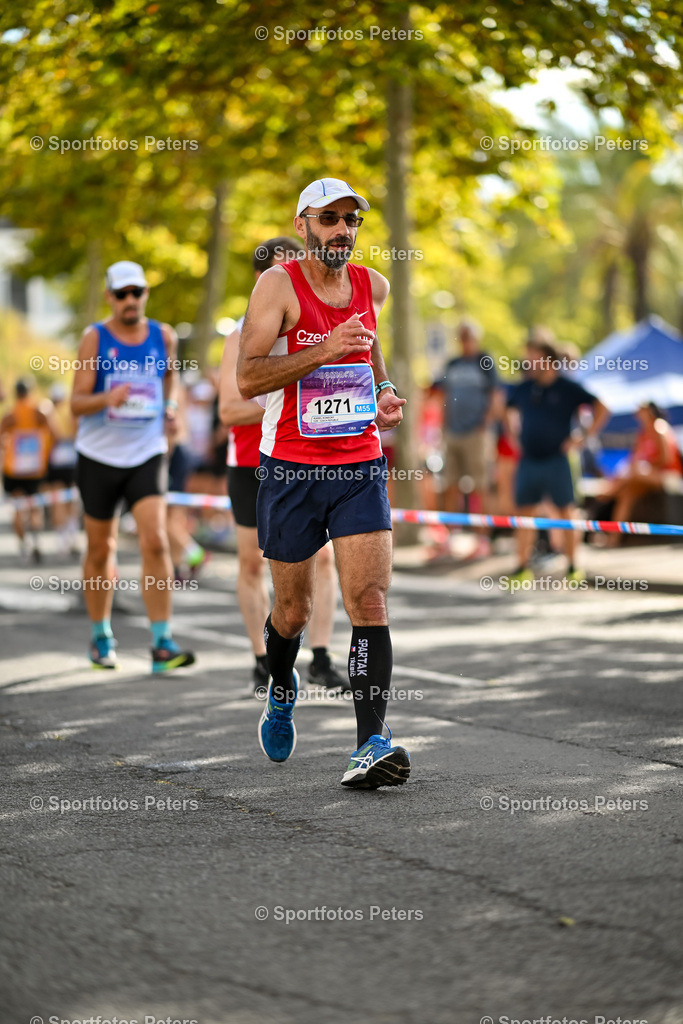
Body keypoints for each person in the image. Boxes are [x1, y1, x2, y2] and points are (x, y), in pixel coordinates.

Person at [237, 177, 411, 789]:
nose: (343, 231)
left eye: (351, 221)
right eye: (330, 219)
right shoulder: (277, 286)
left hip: (359, 462)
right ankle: (281, 686)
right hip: (290, 467)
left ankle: (371, 742)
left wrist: (384, 391)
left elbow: (369, 351)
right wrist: (322, 350)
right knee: (294, 609)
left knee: (368, 599)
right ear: (304, 222)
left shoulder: (373, 286)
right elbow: (248, 379)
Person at [219, 236, 349, 697]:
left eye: (296, 267)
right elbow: (229, 411)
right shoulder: (240, 334)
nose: (292, 278)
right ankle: (262, 658)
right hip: (251, 464)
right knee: (255, 564)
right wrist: (289, 396)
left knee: (324, 558)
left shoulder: (314, 325)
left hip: (303, 459)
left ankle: (320, 656)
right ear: (261, 281)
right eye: (279, 270)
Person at [70, 260, 195, 672]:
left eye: (136, 292)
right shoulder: (96, 338)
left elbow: (169, 379)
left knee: (155, 541)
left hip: (146, 451)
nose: (130, 301)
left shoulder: (163, 336)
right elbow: (76, 402)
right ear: (109, 296)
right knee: (100, 548)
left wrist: (172, 407)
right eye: (121, 294)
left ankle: (161, 643)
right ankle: (101, 636)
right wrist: (108, 398)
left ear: (145, 294)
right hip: (99, 456)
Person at [506, 333, 610, 582]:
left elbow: (602, 408)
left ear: (549, 360)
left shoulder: (567, 387)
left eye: (535, 357)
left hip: (557, 460)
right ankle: (522, 569)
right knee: (524, 514)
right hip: (530, 460)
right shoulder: (525, 388)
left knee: (566, 512)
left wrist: (581, 438)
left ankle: (573, 568)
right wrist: (513, 437)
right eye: (528, 356)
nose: (529, 361)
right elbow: (507, 409)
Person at [432, 319, 500, 558]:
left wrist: (486, 424)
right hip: (453, 433)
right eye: (462, 336)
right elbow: (442, 394)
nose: (466, 341)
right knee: (450, 485)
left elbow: (496, 394)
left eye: (469, 336)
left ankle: (483, 538)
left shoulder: (485, 362)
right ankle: (450, 537)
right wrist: (442, 428)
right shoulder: (452, 364)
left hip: (476, 434)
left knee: (480, 486)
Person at [601, 402, 682, 529]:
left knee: (637, 470)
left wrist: (645, 465)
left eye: (640, 410)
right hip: (646, 476)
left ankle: (609, 493)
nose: (637, 414)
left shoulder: (659, 427)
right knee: (627, 495)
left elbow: (667, 460)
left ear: (649, 411)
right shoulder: (643, 433)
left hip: (668, 475)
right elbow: (633, 459)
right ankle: (613, 538)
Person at [0, 377, 54, 562]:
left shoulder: (10, 414)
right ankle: (36, 541)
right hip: (34, 469)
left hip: (13, 469)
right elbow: (55, 433)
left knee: (17, 508)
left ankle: (23, 545)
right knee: (34, 507)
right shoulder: (38, 413)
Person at [44, 382, 80, 556]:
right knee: (71, 499)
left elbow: (54, 433)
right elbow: (76, 431)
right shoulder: (71, 410)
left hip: (57, 458)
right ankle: (71, 536)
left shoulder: (49, 411)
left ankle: (62, 539)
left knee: (58, 499)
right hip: (72, 457)